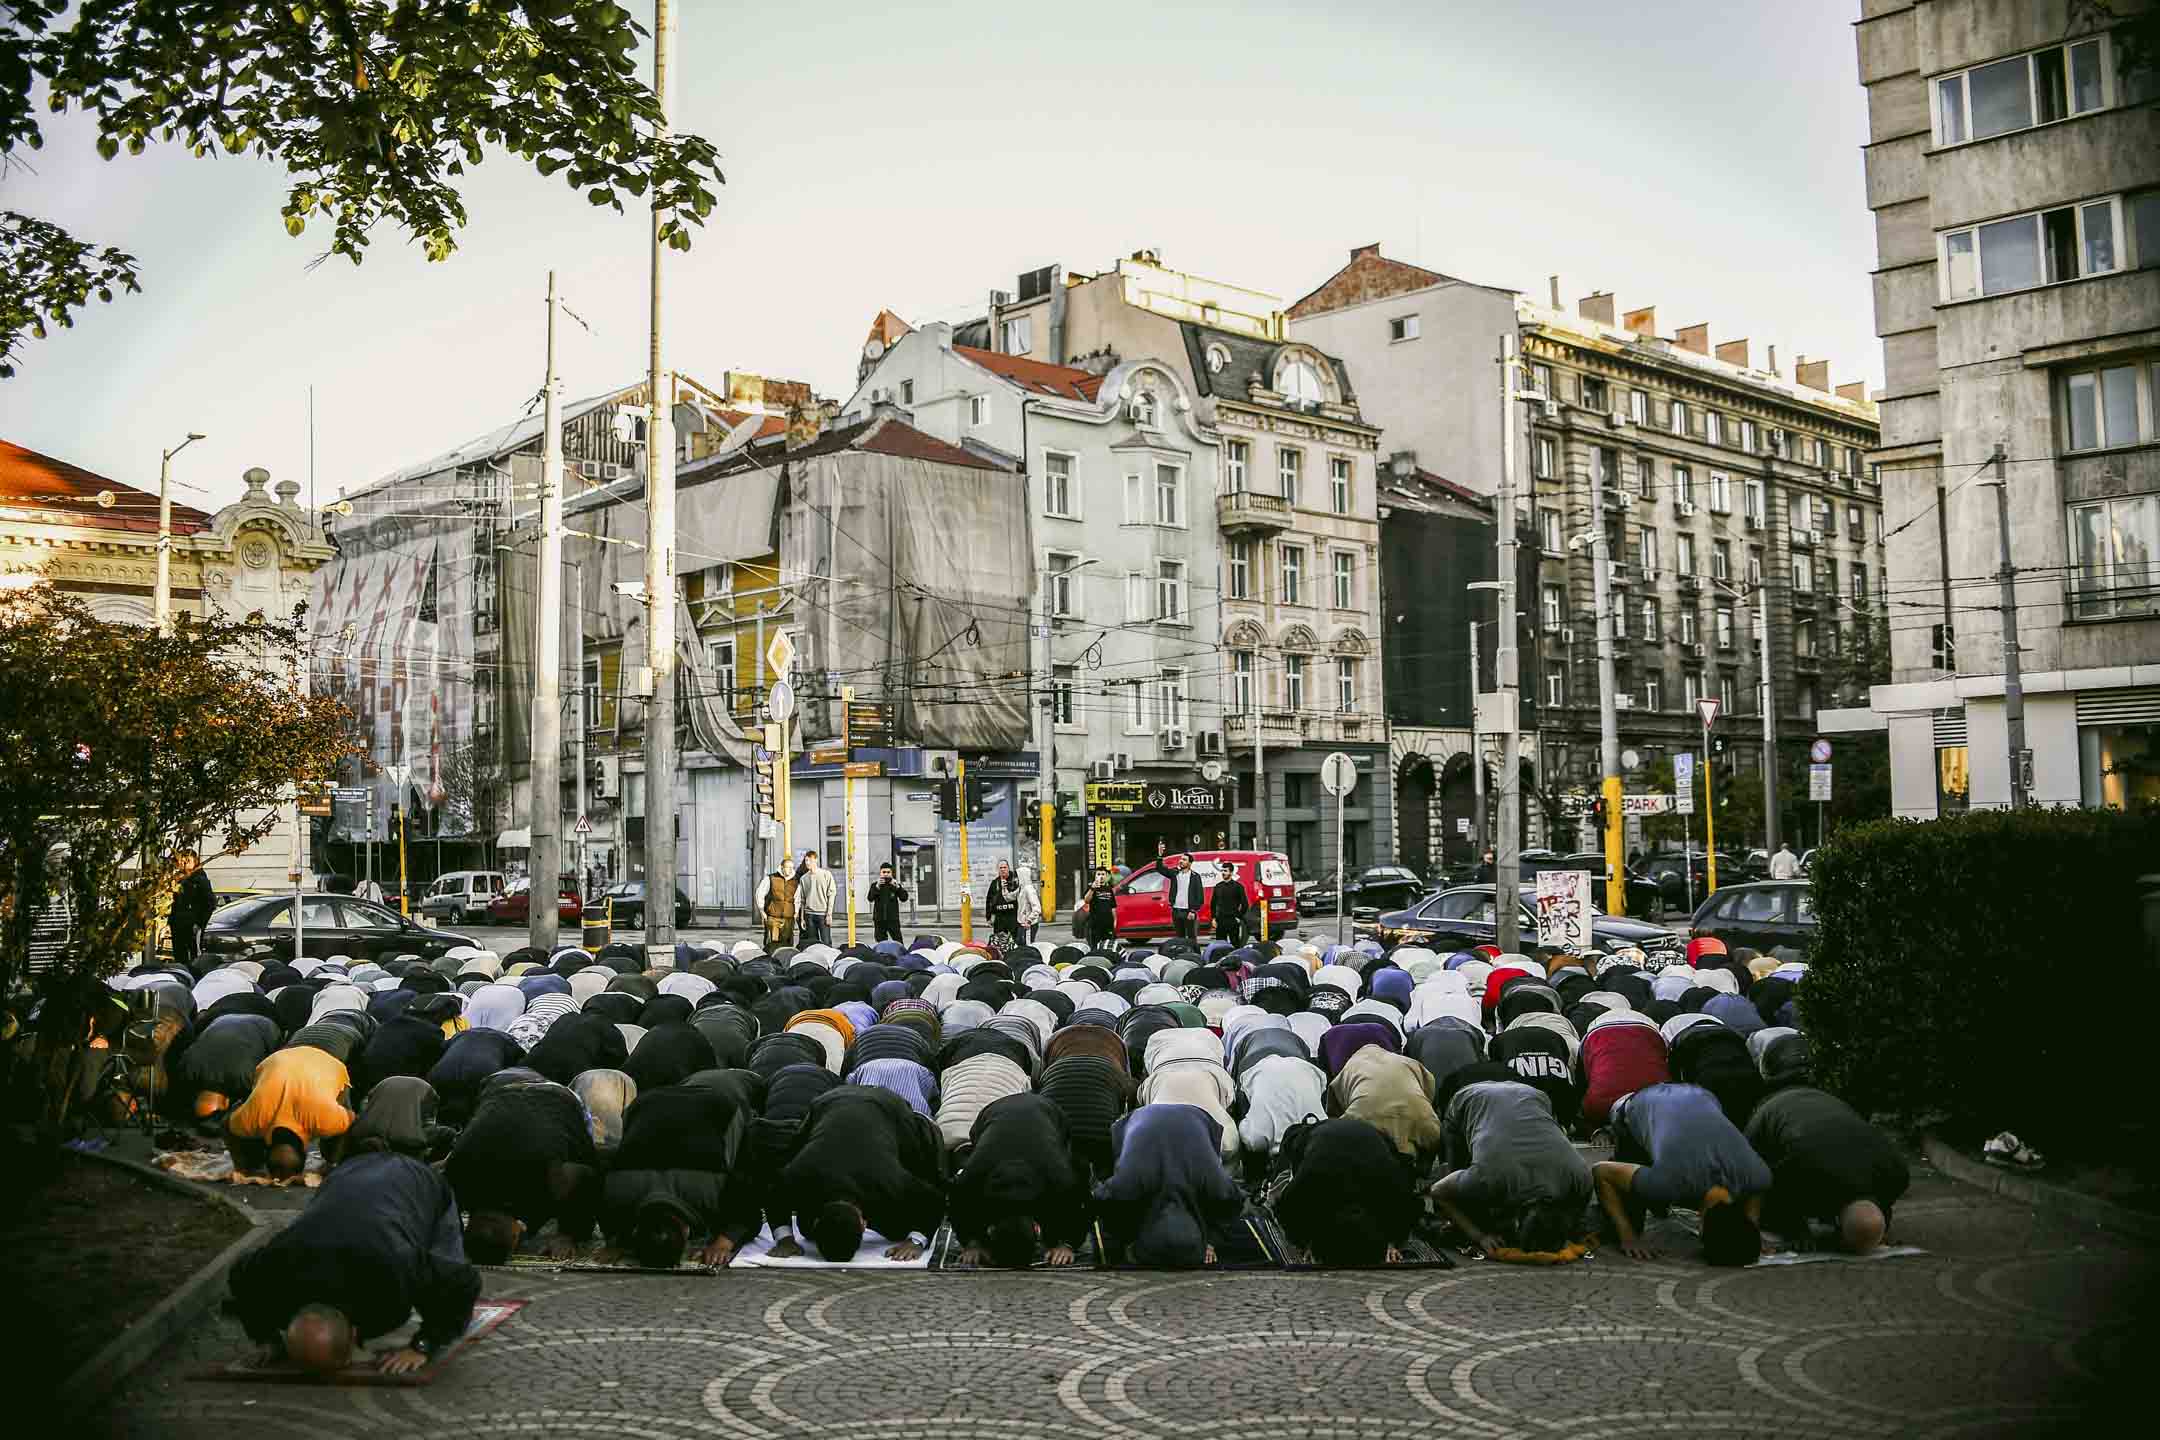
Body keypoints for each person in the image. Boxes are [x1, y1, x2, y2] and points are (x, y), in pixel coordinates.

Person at [225, 1149, 479, 1376]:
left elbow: (464, 1283)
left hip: (422, 1184)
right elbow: (239, 1274)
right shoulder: (276, 1268)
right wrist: (266, 1339)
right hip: (349, 1174)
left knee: (444, 1272)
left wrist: (424, 1346)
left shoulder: (394, 1270)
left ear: (355, 1334)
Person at [1594, 1082, 1772, 1266]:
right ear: (1700, 1228)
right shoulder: (1670, 1182)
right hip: (1631, 1105)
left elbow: (1757, 1192)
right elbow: (1600, 1171)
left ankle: (1651, 1189)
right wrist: (1627, 1235)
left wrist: (1752, 1233)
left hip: (1698, 1092)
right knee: (1631, 1217)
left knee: (1656, 1188)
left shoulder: (1757, 1175)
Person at [763, 1084, 947, 1262]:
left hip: (888, 1107)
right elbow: (774, 1190)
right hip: (830, 1101)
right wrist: (785, 1239)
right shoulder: (802, 1172)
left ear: (863, 1224)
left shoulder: (887, 1176)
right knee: (806, 1228)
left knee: (897, 1229)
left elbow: (934, 1198)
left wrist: (915, 1241)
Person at [598, 1074, 765, 1269]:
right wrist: (614, 1242)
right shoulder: (616, 1195)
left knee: (746, 1163)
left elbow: (750, 1211)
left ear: (686, 1231)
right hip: (647, 1103)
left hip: (720, 1106)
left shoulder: (711, 1192)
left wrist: (723, 1242)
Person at [443, 1077, 601, 1263]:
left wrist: (569, 1234)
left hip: (558, 1098)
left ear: (516, 1236)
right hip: (500, 1088)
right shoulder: (455, 1176)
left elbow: (589, 1176)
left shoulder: (549, 1179)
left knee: (583, 1153)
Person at [1428, 1079, 1592, 1257]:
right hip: (1470, 1098)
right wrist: (1478, 1235)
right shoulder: (1489, 1177)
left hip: (1533, 1095)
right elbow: (1438, 1191)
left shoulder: (1580, 1178)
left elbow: (1575, 1218)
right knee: (1463, 1202)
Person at [1743, 1085, 1909, 1254]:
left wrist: (1877, 1231)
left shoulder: (1896, 1175)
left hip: (1822, 1101)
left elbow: (1885, 1207)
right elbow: (1764, 1184)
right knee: (1751, 1182)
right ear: (1839, 1227)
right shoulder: (1804, 1170)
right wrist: (1794, 1233)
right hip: (1770, 1110)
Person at [1092, 1103, 1246, 1267]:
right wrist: (1212, 1241)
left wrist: (1212, 1241)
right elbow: (1233, 1200)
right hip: (1186, 1120)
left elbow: (1103, 1199)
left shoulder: (1130, 1182)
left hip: (1191, 1120)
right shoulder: (1132, 1180)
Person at [949, 1093, 1089, 1267]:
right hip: (990, 1115)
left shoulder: (1059, 1176)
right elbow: (957, 1202)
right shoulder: (975, 1175)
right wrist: (973, 1242)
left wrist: (1067, 1244)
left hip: (1049, 1113)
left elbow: (1083, 1200)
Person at [1271, 1116, 1420, 1266]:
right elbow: (1408, 1204)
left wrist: (1304, 1243)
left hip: (1370, 1147)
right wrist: (1393, 1242)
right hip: (1370, 1139)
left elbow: (1285, 1209)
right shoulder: (1313, 1171)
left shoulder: (1311, 1172)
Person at [226, 1042, 357, 1179]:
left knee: (336, 1137)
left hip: (328, 1063)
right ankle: (253, 1164)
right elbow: (226, 1125)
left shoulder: (324, 1120)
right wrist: (243, 1168)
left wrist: (334, 1160)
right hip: (278, 1060)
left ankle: (332, 1162)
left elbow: (352, 1119)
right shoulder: (252, 1119)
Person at [169, 850, 218, 970]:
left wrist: (199, 923)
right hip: (179, 923)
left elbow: (209, 903)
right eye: (183, 861)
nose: (184, 864)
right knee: (180, 956)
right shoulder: (181, 879)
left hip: (191, 925)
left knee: (192, 957)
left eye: (188, 861)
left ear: (195, 862)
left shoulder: (199, 880)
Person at [794, 853, 835, 947]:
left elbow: (831, 895)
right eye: (806, 860)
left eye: (810, 860)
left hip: (823, 914)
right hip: (809, 915)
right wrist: (802, 918)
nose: (807, 863)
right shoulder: (803, 878)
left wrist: (829, 914)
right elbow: (802, 900)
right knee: (812, 944)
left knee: (826, 942)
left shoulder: (826, 874)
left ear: (816, 860)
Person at [1167, 856, 1205, 944]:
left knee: (1191, 938)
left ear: (1190, 863)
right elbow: (1161, 869)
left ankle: (1195, 955)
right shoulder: (1175, 874)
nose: (1181, 861)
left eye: (1184, 860)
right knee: (1179, 938)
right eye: (1180, 859)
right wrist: (1160, 856)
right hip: (1176, 910)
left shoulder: (1195, 876)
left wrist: (1193, 910)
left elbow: (1199, 896)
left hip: (1188, 912)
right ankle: (1181, 954)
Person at [867, 863, 909, 944]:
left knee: (898, 941)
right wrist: (877, 887)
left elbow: (904, 898)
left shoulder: (895, 885)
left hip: (893, 919)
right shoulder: (875, 885)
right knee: (881, 943)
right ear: (880, 873)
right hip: (879, 920)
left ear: (891, 873)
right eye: (884, 872)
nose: (886, 874)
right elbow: (870, 898)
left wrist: (898, 888)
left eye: (888, 872)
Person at [1211, 863, 1250, 946]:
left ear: (1231, 873)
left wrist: (1238, 917)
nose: (1223, 873)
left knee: (1235, 943)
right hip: (1220, 920)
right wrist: (1213, 918)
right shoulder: (1218, 887)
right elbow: (1213, 903)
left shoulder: (1238, 887)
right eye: (1222, 871)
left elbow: (1245, 904)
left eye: (1225, 871)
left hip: (1233, 920)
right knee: (1220, 945)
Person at [756, 867, 795, 948]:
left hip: (788, 918)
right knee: (772, 945)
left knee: (787, 945)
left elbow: (798, 898)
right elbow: (760, 894)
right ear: (782, 867)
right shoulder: (770, 878)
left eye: (791, 867)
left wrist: (796, 913)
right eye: (788, 867)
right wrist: (762, 911)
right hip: (773, 917)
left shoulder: (795, 880)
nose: (790, 869)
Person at [1080, 868, 1118, 949]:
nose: (1101, 876)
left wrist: (1115, 921)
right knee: (1094, 946)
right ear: (1095, 876)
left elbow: (1113, 906)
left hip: (1108, 923)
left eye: (1103, 874)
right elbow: (1086, 900)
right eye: (1098, 874)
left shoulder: (1109, 889)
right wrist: (1092, 889)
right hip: (1095, 923)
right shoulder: (1091, 888)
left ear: (1106, 876)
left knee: (1108, 946)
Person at [986, 860, 1021, 942]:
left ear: (1008, 868)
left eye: (1004, 867)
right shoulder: (995, 883)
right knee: (998, 940)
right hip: (999, 916)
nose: (1002, 870)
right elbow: (989, 900)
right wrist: (988, 917)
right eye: (1000, 868)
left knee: (1014, 939)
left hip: (1012, 915)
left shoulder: (1015, 881)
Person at [1016, 865, 1044, 945]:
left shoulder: (1029, 889)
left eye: (1018, 876)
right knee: (1021, 945)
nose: (1016, 878)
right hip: (1022, 923)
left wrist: (1029, 921)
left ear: (1022, 876)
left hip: (1028, 925)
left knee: (1027, 946)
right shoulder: (1022, 888)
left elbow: (1037, 908)